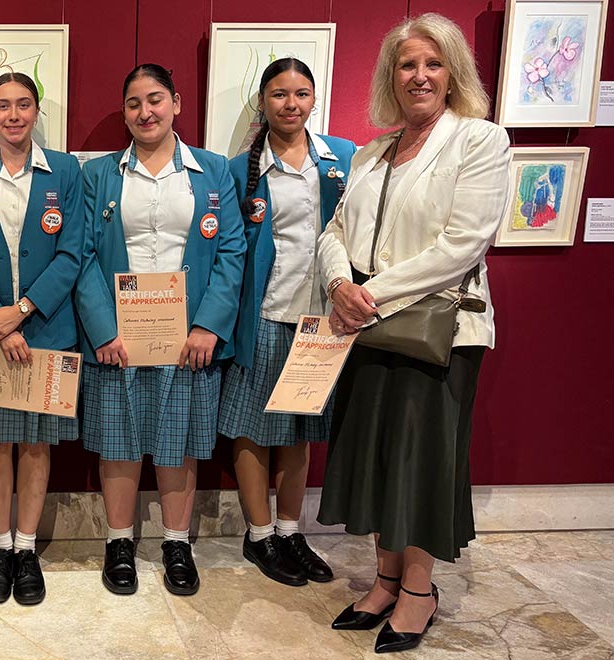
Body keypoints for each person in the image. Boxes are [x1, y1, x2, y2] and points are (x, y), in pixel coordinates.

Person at [315, 13, 510, 654]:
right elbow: (335, 232)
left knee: (420, 464)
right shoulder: (370, 153)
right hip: (369, 328)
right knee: (378, 460)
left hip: (437, 332)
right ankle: (385, 581)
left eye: (432, 63)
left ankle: (419, 593)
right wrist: (339, 284)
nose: (419, 76)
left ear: (452, 73)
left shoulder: (479, 140)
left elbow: (463, 244)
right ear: (390, 76)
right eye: (407, 65)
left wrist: (369, 295)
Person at [74, 64, 246, 598]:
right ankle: (118, 543)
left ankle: (176, 543)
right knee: (118, 441)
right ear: (124, 112)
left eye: (155, 99)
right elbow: (82, 255)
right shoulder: (99, 174)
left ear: (176, 103)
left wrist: (209, 325)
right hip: (119, 339)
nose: (145, 112)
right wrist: (103, 330)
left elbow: (231, 250)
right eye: (133, 103)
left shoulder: (213, 171)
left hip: (188, 338)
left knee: (179, 443)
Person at [219, 58, 356, 587]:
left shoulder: (343, 158)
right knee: (253, 428)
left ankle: (290, 530)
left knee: (299, 430)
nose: (290, 104)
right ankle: (259, 535)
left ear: (314, 100)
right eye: (279, 94)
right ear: (263, 102)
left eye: (301, 93)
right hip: (264, 315)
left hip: (322, 321)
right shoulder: (239, 170)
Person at [0, 72, 84, 607]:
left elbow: (73, 252)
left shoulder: (66, 171)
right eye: (2, 105)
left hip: (47, 329)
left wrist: (23, 312)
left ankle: (27, 547)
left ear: (36, 111)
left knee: (36, 443)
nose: (13, 115)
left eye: (23, 104)